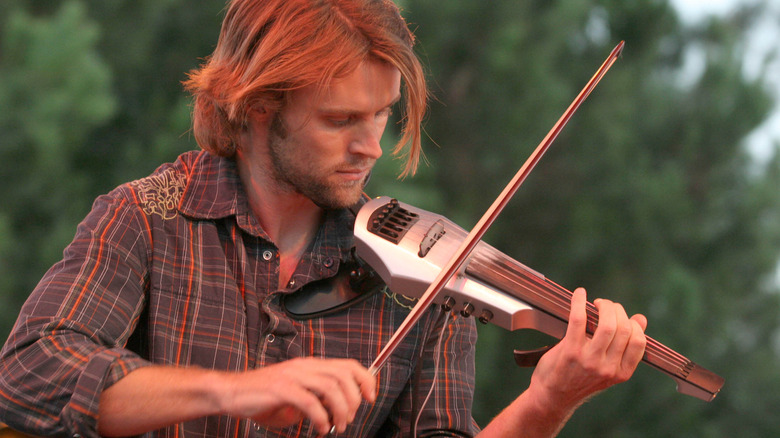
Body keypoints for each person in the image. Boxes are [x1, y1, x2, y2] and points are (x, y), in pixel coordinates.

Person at [0, 0, 648, 437]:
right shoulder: (145, 216)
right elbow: (30, 375)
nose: (370, 146)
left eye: (381, 114)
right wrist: (235, 392)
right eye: (339, 120)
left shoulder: (428, 269)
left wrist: (548, 399)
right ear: (254, 105)